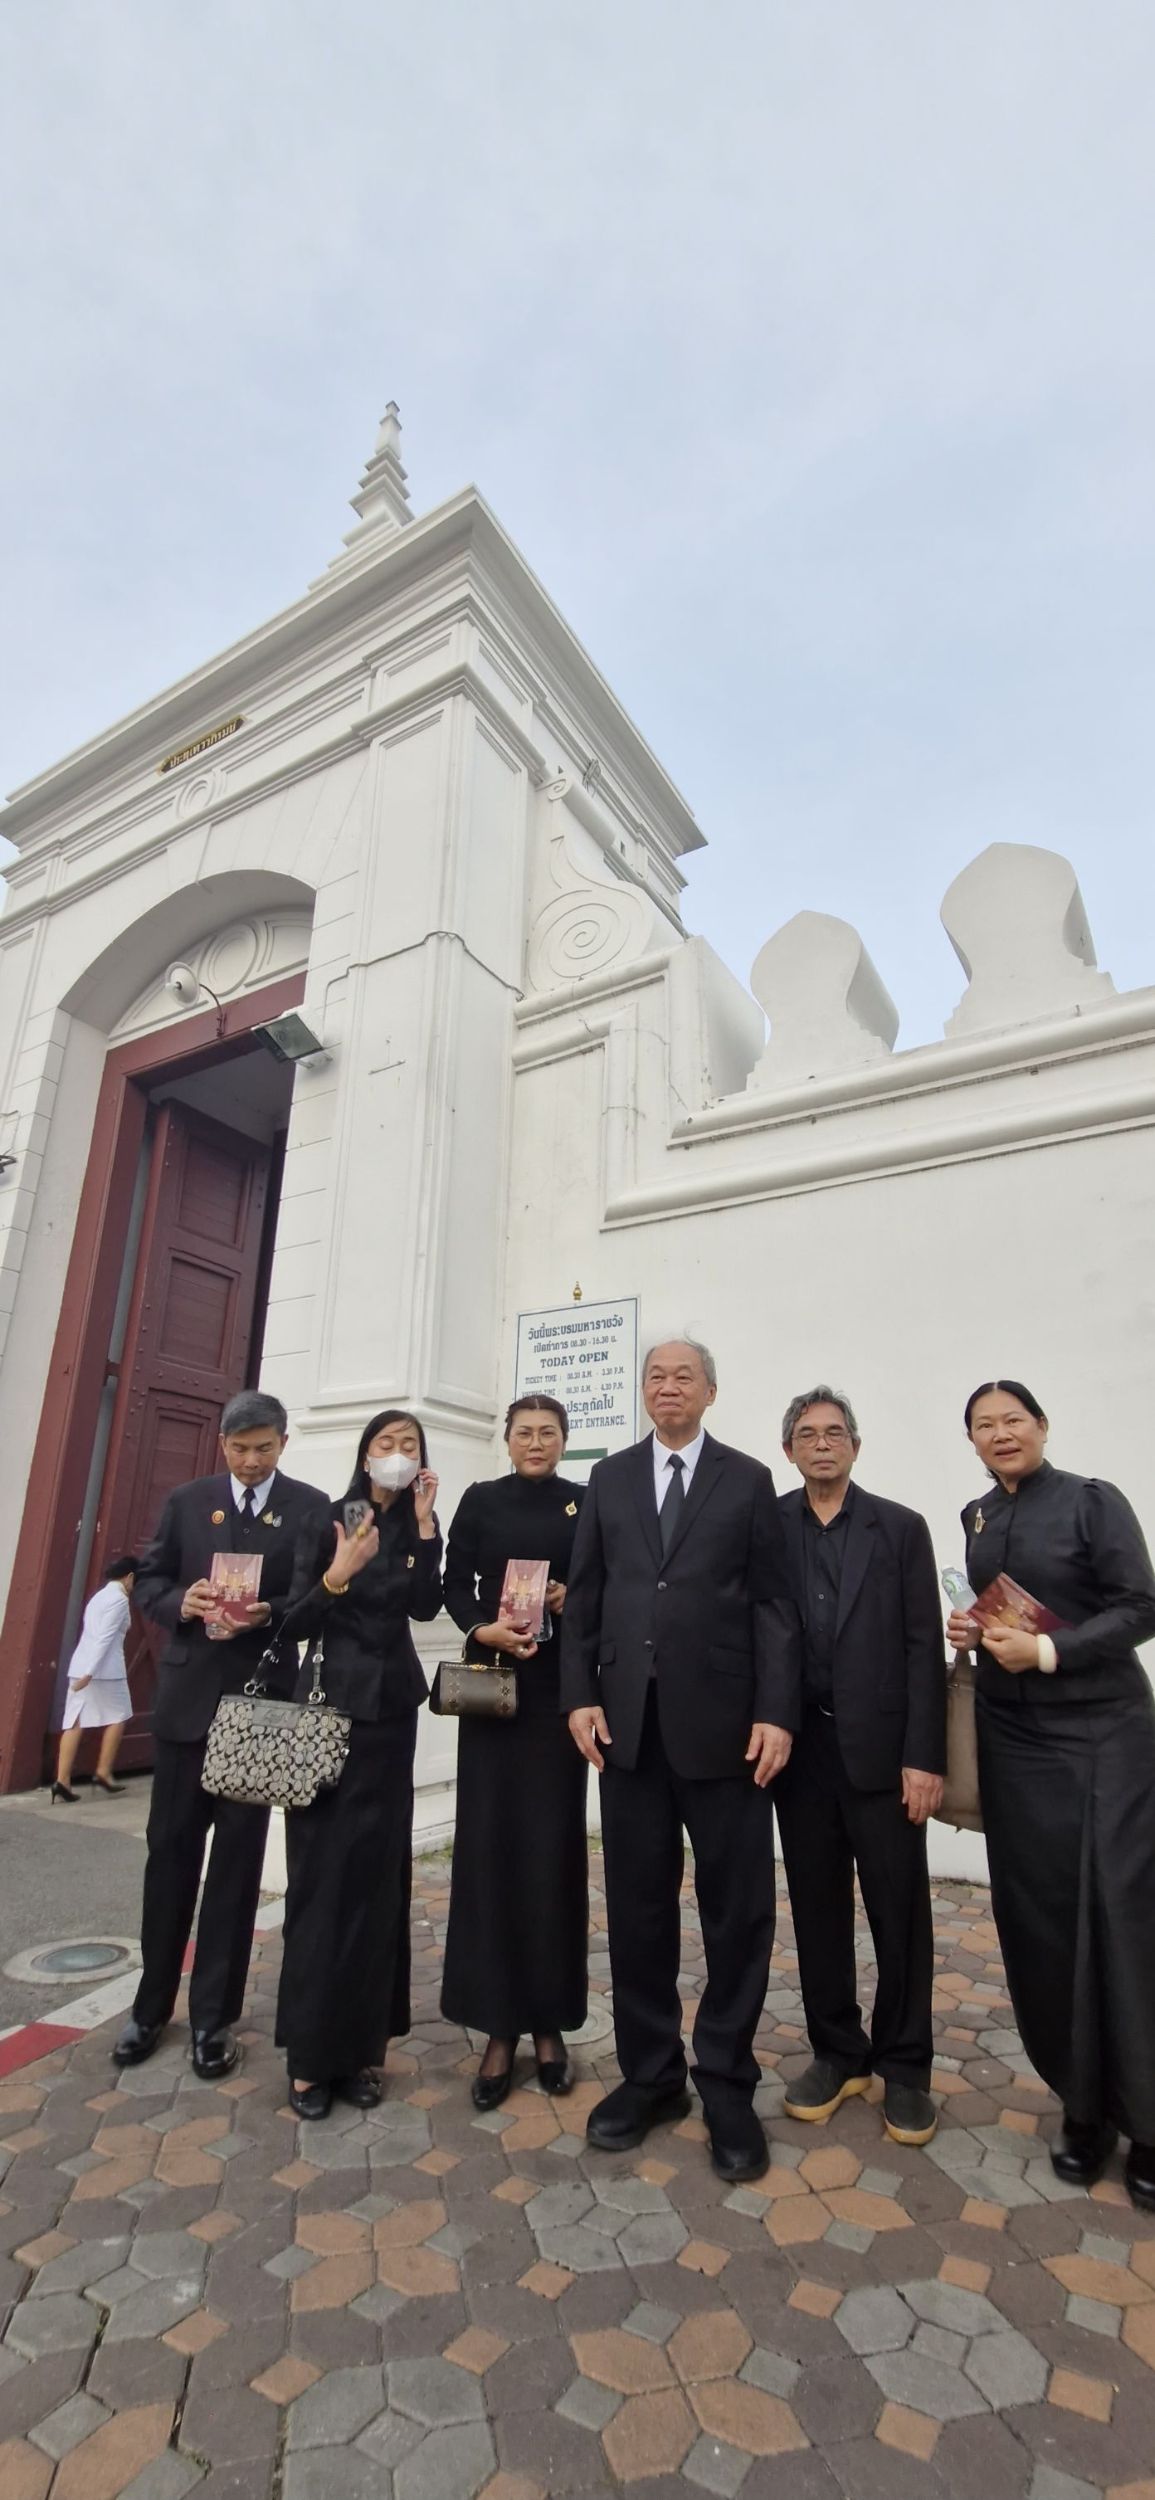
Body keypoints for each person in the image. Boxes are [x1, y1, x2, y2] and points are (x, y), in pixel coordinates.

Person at [561, 1338, 801, 2183]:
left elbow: (773, 1605)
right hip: (627, 1728)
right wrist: (579, 1695)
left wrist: (776, 1710)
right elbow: (585, 1595)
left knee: (736, 1910)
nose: (668, 1388)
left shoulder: (746, 1480)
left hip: (727, 1731)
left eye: (683, 1377)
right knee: (636, 1909)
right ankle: (652, 2077)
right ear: (643, 1391)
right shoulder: (608, 1478)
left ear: (710, 1392)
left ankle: (727, 2083)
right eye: (655, 1377)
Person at [947, 1380, 1155, 2212]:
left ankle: (1147, 2120)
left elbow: (1140, 1607)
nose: (1000, 1433)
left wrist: (1048, 1655)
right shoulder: (976, 1517)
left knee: (1121, 1916)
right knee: (1039, 1920)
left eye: (1013, 1420)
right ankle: (1083, 2106)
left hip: (1101, 1732)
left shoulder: (1091, 1502)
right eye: (983, 1425)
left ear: (1040, 1426)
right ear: (970, 1440)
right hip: (1012, 1738)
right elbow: (1003, 1613)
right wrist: (973, 1633)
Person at [112, 1391, 332, 2080]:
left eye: (263, 1448)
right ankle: (150, 2007)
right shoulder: (188, 1502)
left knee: (236, 1869)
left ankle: (214, 2017)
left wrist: (269, 1611)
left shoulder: (309, 1507)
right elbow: (150, 1579)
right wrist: (182, 1602)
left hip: (259, 1709)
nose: (251, 1461)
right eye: (240, 1449)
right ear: (222, 1445)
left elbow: (314, 1600)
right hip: (186, 1708)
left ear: (283, 1443)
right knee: (170, 1859)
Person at [775, 1388, 945, 2148]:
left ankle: (904, 2065)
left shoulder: (900, 1528)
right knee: (816, 1910)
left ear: (855, 1445)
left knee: (897, 1913)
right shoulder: (768, 1526)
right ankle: (838, 2051)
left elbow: (922, 1646)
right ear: (788, 1450)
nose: (822, 1443)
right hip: (800, 1753)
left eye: (834, 1432)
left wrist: (923, 1756)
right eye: (808, 1434)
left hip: (883, 1754)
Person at [275, 1409, 442, 2120]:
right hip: (328, 1713)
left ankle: (362, 2050)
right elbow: (292, 1621)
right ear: (365, 1453)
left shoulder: (415, 1525)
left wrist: (427, 1529)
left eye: (409, 1445)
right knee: (322, 1886)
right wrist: (337, 1577)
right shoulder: (329, 1520)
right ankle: (310, 2060)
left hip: (391, 1717)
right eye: (385, 1443)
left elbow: (427, 1606)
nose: (397, 1454)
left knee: (377, 1885)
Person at [441, 1395, 588, 2109]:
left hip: (557, 1700)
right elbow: (452, 1582)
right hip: (493, 1696)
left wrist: (569, 1597)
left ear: (563, 1440)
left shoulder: (583, 1503)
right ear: (506, 1440)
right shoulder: (481, 1500)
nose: (536, 1442)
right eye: (524, 1432)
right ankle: (498, 2028)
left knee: (552, 1855)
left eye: (548, 1433)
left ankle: (549, 2025)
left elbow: (605, 1583)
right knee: (490, 1854)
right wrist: (480, 1628)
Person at [52, 1555, 141, 1802]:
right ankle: (103, 1771)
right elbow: (105, 1637)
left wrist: (84, 1670)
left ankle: (62, 1780)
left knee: (74, 1721)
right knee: (120, 1715)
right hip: (105, 1671)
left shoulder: (98, 1597)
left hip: (81, 1664)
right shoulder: (119, 1599)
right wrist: (89, 1673)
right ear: (130, 1577)